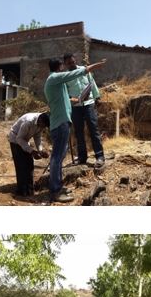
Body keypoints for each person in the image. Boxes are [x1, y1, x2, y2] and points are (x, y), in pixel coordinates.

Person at [43, 57, 107, 202]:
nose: (67, 66)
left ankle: (57, 186)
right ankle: (55, 190)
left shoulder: (55, 80)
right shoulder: (56, 78)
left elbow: (67, 98)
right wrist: (98, 65)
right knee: (57, 157)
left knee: (58, 156)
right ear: (61, 66)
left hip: (64, 119)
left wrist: (79, 99)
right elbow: (82, 72)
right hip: (60, 122)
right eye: (64, 65)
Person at [64, 53, 105, 168]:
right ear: (65, 64)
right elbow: (66, 93)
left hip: (89, 103)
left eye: (72, 62)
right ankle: (82, 158)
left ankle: (100, 156)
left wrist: (97, 97)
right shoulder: (66, 76)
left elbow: (92, 82)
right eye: (69, 63)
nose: (71, 64)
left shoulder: (84, 70)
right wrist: (71, 102)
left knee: (93, 129)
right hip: (76, 107)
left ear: (75, 60)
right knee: (79, 132)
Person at [8, 112, 50, 197]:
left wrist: (40, 150)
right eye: (43, 126)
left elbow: (37, 137)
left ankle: (29, 189)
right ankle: (22, 190)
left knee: (29, 164)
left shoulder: (40, 123)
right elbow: (19, 139)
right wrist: (32, 151)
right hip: (15, 139)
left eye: (44, 127)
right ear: (40, 120)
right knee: (21, 165)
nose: (43, 128)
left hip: (24, 140)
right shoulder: (28, 122)